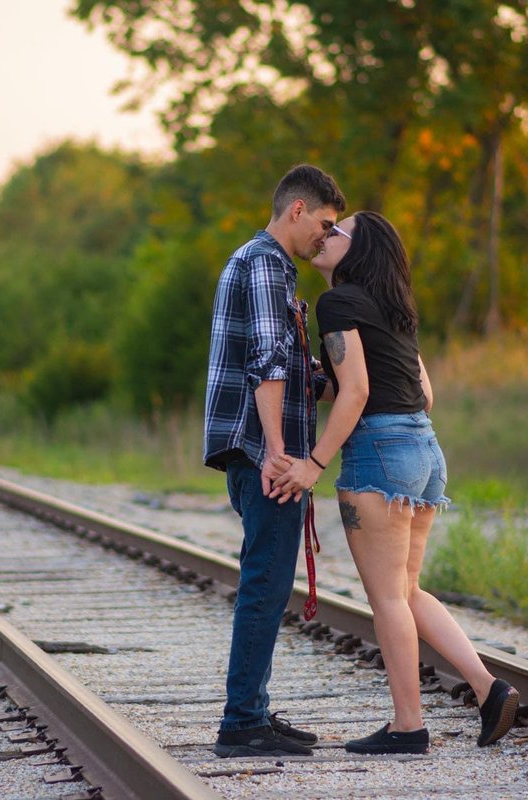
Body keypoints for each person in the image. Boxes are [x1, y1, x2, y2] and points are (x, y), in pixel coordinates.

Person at [270, 211, 520, 754]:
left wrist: (314, 462)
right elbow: (423, 392)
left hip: (379, 453)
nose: (327, 235)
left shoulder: (338, 303)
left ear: (359, 251)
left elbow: (357, 392)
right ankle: (488, 687)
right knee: (406, 591)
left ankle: (408, 726)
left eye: (339, 232)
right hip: (425, 449)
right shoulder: (396, 307)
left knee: (387, 599)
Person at [203, 164, 346, 758]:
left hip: (257, 449)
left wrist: (324, 376)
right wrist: (278, 453)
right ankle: (242, 723)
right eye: (326, 223)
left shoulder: (268, 267)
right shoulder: (265, 264)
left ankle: (254, 711)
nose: (328, 237)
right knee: (265, 583)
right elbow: (265, 362)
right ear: (297, 210)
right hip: (268, 455)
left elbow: (281, 364)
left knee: (268, 580)